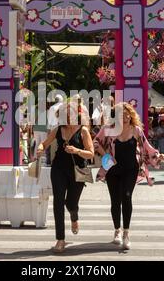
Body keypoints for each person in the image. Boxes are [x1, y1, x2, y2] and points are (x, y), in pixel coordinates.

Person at [94, 103, 164, 249]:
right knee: (115, 201)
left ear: (131, 115)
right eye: (121, 114)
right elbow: (95, 142)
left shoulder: (136, 130)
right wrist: (105, 155)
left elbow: (147, 147)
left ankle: (126, 232)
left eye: (127, 114)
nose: (124, 117)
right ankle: (117, 231)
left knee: (126, 196)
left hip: (131, 169)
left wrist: (157, 156)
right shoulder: (109, 129)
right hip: (112, 170)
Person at [36, 99, 94, 253]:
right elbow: (45, 143)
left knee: (71, 203)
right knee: (58, 202)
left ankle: (74, 216)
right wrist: (40, 148)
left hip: (78, 170)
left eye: (70, 114)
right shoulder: (58, 129)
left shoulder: (83, 131)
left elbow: (91, 153)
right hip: (59, 168)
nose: (67, 118)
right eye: (65, 115)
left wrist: (77, 151)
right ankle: (60, 239)